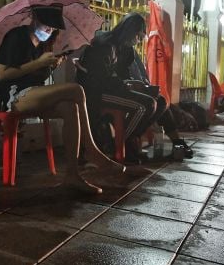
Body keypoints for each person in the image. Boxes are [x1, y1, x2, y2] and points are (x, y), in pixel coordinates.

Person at [0, 5, 124, 194]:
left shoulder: (42, 45)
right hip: (14, 97)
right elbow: (3, 74)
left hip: (34, 94)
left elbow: (36, 78)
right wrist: (38, 63)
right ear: (34, 18)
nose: (48, 31)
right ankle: (92, 151)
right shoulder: (16, 36)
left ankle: (72, 175)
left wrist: (51, 64)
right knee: (76, 89)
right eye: (46, 26)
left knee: (69, 107)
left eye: (52, 28)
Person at [77, 12, 193, 162]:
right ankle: (119, 144)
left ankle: (135, 142)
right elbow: (99, 79)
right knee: (145, 105)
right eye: (137, 36)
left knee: (160, 100)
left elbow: (124, 75)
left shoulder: (126, 50)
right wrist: (128, 85)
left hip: (113, 88)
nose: (138, 41)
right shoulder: (104, 45)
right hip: (95, 92)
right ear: (129, 31)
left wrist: (138, 85)